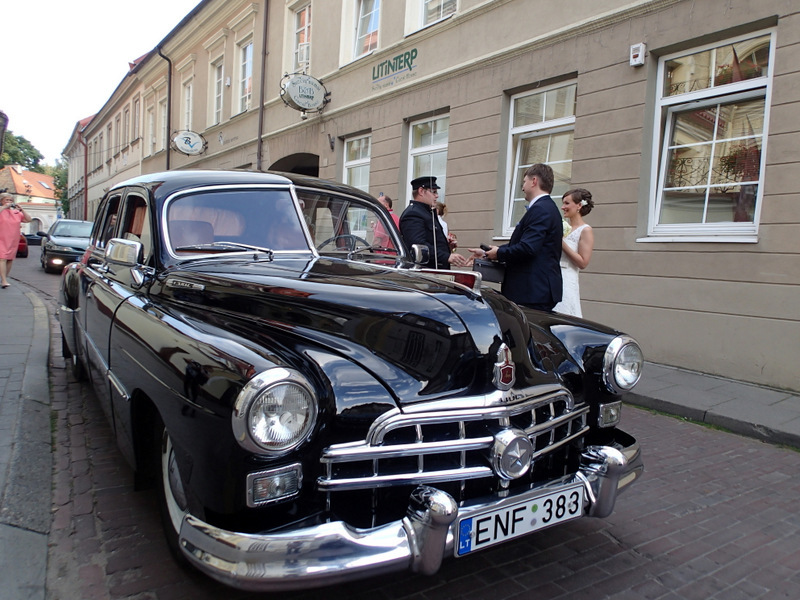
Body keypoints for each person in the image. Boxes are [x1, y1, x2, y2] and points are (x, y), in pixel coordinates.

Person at [470, 164, 562, 311]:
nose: (522, 187)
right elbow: (524, 243)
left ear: (534, 181)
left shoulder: (541, 209)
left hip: (532, 291)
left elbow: (528, 248)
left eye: (524, 182)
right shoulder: (544, 207)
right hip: (532, 290)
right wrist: (491, 252)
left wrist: (499, 253)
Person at [400, 176, 467, 269]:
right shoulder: (413, 214)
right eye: (433, 192)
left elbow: (431, 241)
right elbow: (419, 245)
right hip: (425, 272)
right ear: (421, 191)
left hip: (435, 270)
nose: (437, 195)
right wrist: (446, 256)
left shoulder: (427, 212)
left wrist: (447, 246)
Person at [553, 189, 595, 317]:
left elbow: (583, 262)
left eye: (566, 203)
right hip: (553, 276)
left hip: (567, 280)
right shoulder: (564, 227)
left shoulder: (585, 230)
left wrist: (562, 244)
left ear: (579, 205)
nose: (563, 207)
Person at [0, 193, 32, 288]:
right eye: (7, 200)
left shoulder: (16, 213)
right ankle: (4, 280)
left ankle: (4, 278)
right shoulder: (1, 211)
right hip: (2, 238)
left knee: (10, 258)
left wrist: (21, 209)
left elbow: (28, 219)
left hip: (13, 238)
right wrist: (4, 207)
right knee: (2, 258)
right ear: (1, 201)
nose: (9, 202)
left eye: (11, 200)